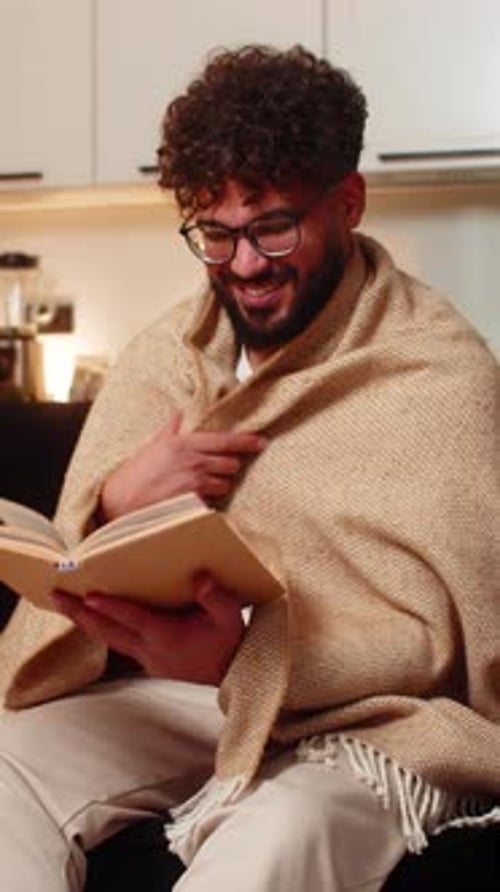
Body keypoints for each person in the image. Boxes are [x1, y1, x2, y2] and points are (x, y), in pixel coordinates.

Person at [0, 44, 499, 892]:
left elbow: (447, 640)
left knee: (276, 840)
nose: (245, 266)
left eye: (273, 226)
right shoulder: (168, 354)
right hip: (179, 697)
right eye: (216, 234)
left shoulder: (436, 372)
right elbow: (74, 570)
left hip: (366, 724)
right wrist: (115, 504)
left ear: (348, 202)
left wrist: (242, 655)